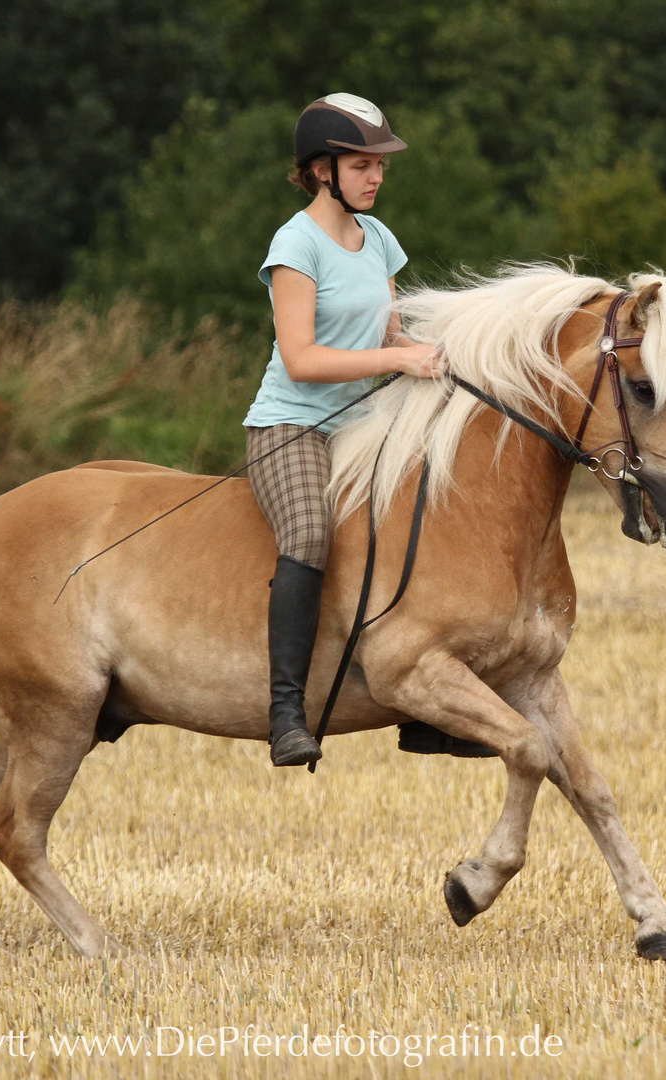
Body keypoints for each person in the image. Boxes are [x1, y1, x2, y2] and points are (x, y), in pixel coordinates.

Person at [243, 94, 440, 767]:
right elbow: (301, 359)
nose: (376, 177)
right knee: (307, 533)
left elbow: (389, 329)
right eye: (362, 164)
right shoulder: (296, 243)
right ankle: (286, 715)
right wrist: (398, 358)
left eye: (379, 165)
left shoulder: (376, 238)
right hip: (293, 426)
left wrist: (434, 352)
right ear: (322, 169)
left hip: (365, 423)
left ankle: (425, 705)